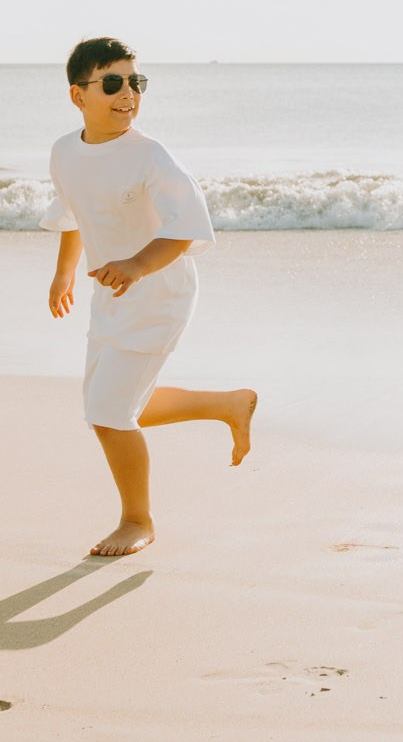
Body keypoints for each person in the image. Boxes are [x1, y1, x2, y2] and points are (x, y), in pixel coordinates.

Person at [43, 36, 257, 558]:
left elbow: (187, 226)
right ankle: (228, 404)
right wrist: (63, 273)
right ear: (79, 96)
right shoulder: (65, 152)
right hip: (113, 293)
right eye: (112, 83)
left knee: (110, 413)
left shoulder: (150, 156)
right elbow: (73, 212)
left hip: (160, 291)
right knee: (105, 406)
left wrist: (137, 265)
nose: (128, 94)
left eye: (136, 82)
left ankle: (138, 520)